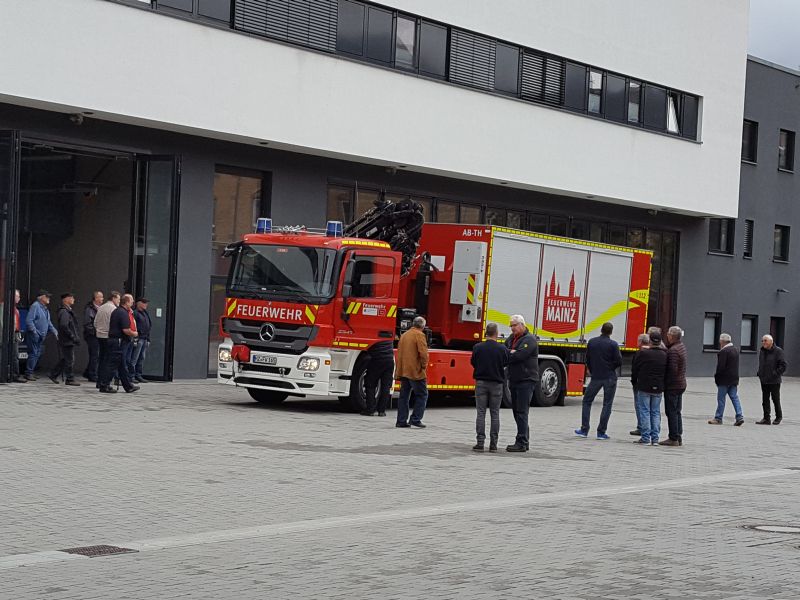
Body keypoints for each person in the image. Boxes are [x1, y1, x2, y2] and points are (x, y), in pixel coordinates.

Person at [575, 322, 622, 440]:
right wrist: (610, 368)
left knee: (587, 401)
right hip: (609, 377)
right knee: (607, 404)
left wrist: (592, 370)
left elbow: (588, 359)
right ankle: (601, 432)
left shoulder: (592, 342)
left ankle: (584, 429)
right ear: (611, 332)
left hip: (596, 376)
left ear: (601, 330)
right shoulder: (613, 345)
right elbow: (619, 361)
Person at [470, 322, 509, 452]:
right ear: (496, 333)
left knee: (481, 413)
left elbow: (473, 362)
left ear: (486, 332)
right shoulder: (502, 349)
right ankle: (493, 444)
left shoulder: (477, 347)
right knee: (495, 413)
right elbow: (505, 363)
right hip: (497, 384)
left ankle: (480, 443)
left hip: (481, 383)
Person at [504, 314, 539, 452]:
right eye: (511, 326)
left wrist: (512, 353)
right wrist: (511, 352)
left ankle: (521, 442)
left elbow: (520, 355)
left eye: (514, 325)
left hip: (526, 380)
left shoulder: (529, 340)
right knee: (516, 411)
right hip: (514, 379)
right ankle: (524, 439)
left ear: (522, 325)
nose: (512, 328)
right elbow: (504, 353)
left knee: (522, 411)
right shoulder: (511, 338)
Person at [631, 330, 667, 445]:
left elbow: (635, 369)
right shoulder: (664, 354)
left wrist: (634, 382)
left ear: (650, 341)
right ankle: (655, 438)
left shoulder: (643, 353)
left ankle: (645, 437)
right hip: (659, 386)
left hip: (644, 386)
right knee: (655, 412)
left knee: (645, 411)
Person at [99, 294, 139, 394]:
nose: (133, 302)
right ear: (127, 302)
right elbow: (126, 330)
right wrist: (134, 333)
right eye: (131, 301)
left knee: (121, 365)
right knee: (113, 363)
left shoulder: (118, 311)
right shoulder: (122, 313)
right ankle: (104, 385)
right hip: (118, 341)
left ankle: (128, 386)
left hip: (115, 340)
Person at [395, 316, 429, 428]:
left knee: (404, 396)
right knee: (422, 394)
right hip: (415, 371)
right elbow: (423, 354)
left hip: (404, 369)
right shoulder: (419, 335)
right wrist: (423, 366)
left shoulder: (404, 335)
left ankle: (401, 420)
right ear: (422, 326)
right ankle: (415, 419)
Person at [709, 333, 744, 426]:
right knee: (734, 397)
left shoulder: (724, 352)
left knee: (721, 399)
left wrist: (717, 377)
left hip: (724, 379)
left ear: (722, 341)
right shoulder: (735, 350)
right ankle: (739, 415)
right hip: (734, 378)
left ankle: (718, 418)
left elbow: (721, 367)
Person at [660, 325, 687, 446]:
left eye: (668, 334)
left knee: (671, 411)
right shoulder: (681, 346)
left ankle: (673, 437)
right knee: (677, 411)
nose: (667, 336)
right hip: (680, 384)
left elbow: (672, 370)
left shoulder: (673, 351)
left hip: (673, 386)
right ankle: (678, 435)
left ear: (672, 336)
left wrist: (665, 383)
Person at [48, 293, 81, 386]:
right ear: (66, 299)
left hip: (67, 339)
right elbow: (64, 325)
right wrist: (72, 336)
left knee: (66, 358)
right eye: (71, 298)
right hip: (67, 339)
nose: (73, 299)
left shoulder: (67, 311)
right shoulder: (64, 312)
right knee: (70, 359)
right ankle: (69, 378)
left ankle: (53, 374)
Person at [24, 290, 58, 380]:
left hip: (41, 336)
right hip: (34, 335)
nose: (49, 298)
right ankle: (28, 373)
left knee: (37, 354)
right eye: (47, 296)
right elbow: (29, 320)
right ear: (41, 297)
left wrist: (54, 331)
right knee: (33, 353)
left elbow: (48, 322)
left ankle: (31, 372)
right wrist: (34, 332)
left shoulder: (45, 309)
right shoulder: (35, 306)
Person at [756, 334, 786, 425]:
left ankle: (778, 417)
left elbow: (783, 366)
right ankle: (766, 418)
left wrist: (775, 374)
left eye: (765, 340)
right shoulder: (762, 351)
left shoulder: (778, 351)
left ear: (771, 341)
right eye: (762, 341)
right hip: (764, 379)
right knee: (765, 400)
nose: (763, 342)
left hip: (774, 380)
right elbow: (761, 363)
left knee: (775, 399)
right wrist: (760, 373)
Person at [361, 338, 394, 417]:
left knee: (370, 385)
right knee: (386, 387)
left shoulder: (375, 335)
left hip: (377, 359)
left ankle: (370, 410)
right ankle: (381, 411)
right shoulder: (389, 335)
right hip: (389, 361)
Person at [94, 291, 120, 390]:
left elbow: (95, 322)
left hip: (99, 335)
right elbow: (115, 324)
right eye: (118, 299)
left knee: (101, 359)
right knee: (108, 360)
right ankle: (104, 382)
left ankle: (99, 381)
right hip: (109, 336)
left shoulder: (101, 307)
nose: (119, 301)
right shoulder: (113, 309)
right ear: (113, 298)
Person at [629, 333, 651, 437]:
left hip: (639, 384)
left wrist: (633, 381)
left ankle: (642, 427)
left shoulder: (639, 353)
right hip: (652, 383)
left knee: (640, 406)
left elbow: (635, 369)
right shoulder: (654, 352)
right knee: (651, 409)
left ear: (641, 342)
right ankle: (649, 428)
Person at [82, 291, 103, 382]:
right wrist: (94, 332)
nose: (102, 299)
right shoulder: (90, 309)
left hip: (97, 334)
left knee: (95, 354)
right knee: (95, 355)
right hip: (92, 335)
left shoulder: (100, 308)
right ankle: (92, 374)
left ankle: (88, 372)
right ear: (96, 298)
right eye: (100, 297)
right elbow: (87, 323)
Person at [130, 297, 152, 384]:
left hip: (144, 338)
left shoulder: (145, 313)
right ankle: (131, 375)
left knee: (141, 357)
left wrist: (148, 339)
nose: (146, 304)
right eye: (144, 302)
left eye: (146, 302)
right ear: (138, 303)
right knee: (134, 358)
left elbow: (148, 326)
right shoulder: (135, 313)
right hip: (138, 338)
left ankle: (138, 375)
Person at [10, 289, 26, 383]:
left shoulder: (16, 309)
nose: (19, 299)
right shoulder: (7, 308)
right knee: (13, 355)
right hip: (9, 334)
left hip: (15, 334)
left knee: (15, 355)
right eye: (17, 296)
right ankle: (14, 375)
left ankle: (14, 375)